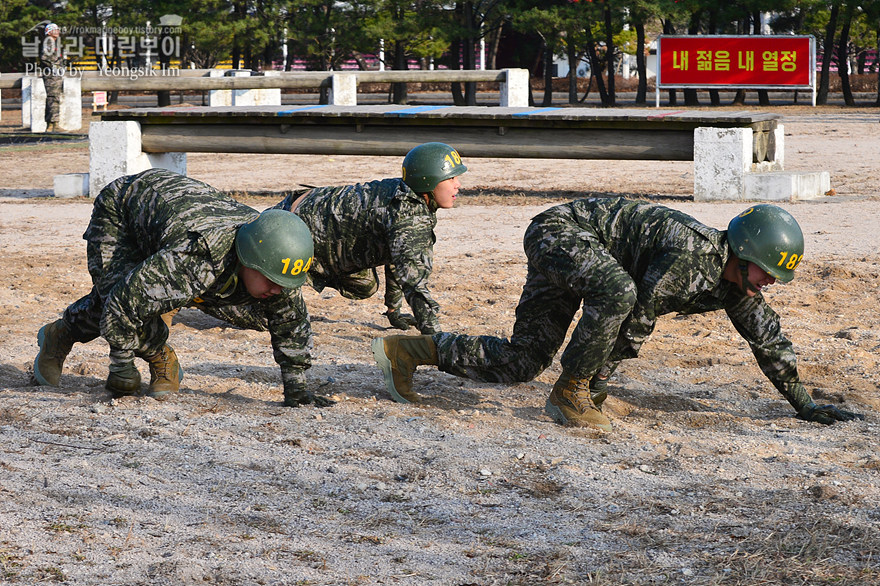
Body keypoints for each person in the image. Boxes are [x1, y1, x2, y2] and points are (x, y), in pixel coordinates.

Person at [371, 198, 865, 430]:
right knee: (618, 293)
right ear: (743, 253)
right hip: (560, 232)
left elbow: (769, 341)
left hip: (584, 257)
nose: (772, 283)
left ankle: (409, 350)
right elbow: (635, 318)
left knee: (522, 362)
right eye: (768, 271)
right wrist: (595, 383)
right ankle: (568, 395)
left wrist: (805, 404)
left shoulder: (737, 286)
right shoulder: (693, 256)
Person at [33, 168, 332, 408]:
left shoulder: (276, 262)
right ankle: (63, 336)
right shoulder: (197, 258)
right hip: (123, 211)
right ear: (248, 260)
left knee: (170, 294)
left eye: (283, 284)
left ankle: (145, 347)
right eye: (271, 281)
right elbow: (124, 302)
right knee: (117, 295)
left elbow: (291, 325)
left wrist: (297, 390)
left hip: (177, 222)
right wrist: (122, 364)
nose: (277, 290)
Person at [271, 141, 467, 333]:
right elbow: (413, 281)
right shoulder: (407, 216)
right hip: (287, 231)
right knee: (273, 318)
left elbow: (398, 258)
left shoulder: (408, 195)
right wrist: (435, 336)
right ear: (429, 181)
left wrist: (393, 310)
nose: (458, 185)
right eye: (450, 179)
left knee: (365, 285)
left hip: (309, 219)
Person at [41, 22, 64, 132]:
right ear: (49, 32)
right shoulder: (49, 42)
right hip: (51, 75)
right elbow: (45, 57)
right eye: (55, 30)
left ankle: (53, 123)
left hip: (55, 75)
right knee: (53, 98)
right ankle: (52, 124)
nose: (58, 31)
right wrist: (55, 67)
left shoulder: (54, 43)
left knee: (54, 98)